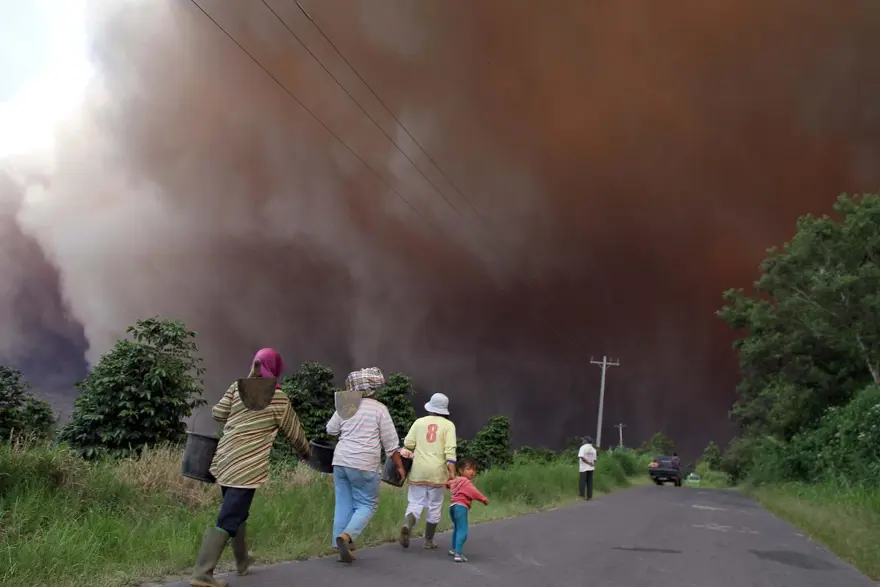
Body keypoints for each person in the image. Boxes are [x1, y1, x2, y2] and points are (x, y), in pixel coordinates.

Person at [189, 348, 310, 587]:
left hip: (225, 460)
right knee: (229, 516)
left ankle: (242, 561)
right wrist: (308, 453)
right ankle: (203, 572)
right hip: (248, 467)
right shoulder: (279, 398)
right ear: (275, 368)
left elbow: (218, 414)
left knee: (238, 511)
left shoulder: (237, 387)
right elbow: (295, 434)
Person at [326, 367, 407, 564]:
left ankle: (339, 543)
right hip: (364, 463)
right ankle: (346, 537)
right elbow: (391, 444)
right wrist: (400, 466)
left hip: (340, 462)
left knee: (343, 503)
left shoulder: (347, 405)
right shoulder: (379, 409)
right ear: (372, 389)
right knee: (367, 504)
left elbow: (330, 430)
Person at [398, 392, 456, 550]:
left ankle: (408, 524)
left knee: (415, 502)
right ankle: (428, 541)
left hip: (418, 469)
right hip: (438, 472)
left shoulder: (419, 422)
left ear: (430, 407)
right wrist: (452, 474)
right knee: (434, 505)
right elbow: (450, 452)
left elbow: (408, 443)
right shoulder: (449, 426)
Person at [446, 457, 488, 563]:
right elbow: (473, 492)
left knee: (457, 528)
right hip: (461, 507)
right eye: (469, 469)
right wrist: (483, 499)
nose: (472, 472)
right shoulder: (466, 482)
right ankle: (458, 554)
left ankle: (453, 549)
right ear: (461, 470)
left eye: (474, 469)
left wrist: (448, 483)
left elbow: (449, 483)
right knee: (463, 531)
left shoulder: (457, 480)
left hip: (453, 506)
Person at [578, 435, 597, 500]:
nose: (582, 441)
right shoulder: (593, 449)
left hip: (583, 467)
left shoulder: (583, 447)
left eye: (583, 440)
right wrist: (592, 464)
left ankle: (582, 495)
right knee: (590, 482)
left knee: (582, 481)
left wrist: (588, 463)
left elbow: (581, 457)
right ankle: (589, 496)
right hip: (591, 467)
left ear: (586, 441)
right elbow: (594, 460)